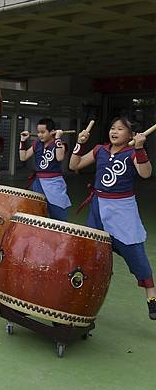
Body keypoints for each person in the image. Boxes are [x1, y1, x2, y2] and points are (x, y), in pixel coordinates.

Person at [70, 116, 156, 320]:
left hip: (122, 210)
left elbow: (145, 173)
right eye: (112, 127)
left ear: (131, 135)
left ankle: (152, 297)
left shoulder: (132, 152)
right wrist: (79, 144)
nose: (114, 131)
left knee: (134, 251)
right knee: (92, 251)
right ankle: (82, 296)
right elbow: (76, 164)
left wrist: (140, 148)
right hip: (99, 207)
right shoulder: (100, 149)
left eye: (120, 129)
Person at [19, 118, 71, 221]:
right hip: (38, 182)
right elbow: (23, 157)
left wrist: (58, 139)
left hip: (54, 183)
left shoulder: (60, 144)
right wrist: (23, 141)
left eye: (43, 132)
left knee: (58, 213)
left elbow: (59, 157)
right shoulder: (37, 143)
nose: (39, 135)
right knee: (36, 213)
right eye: (38, 132)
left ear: (52, 132)